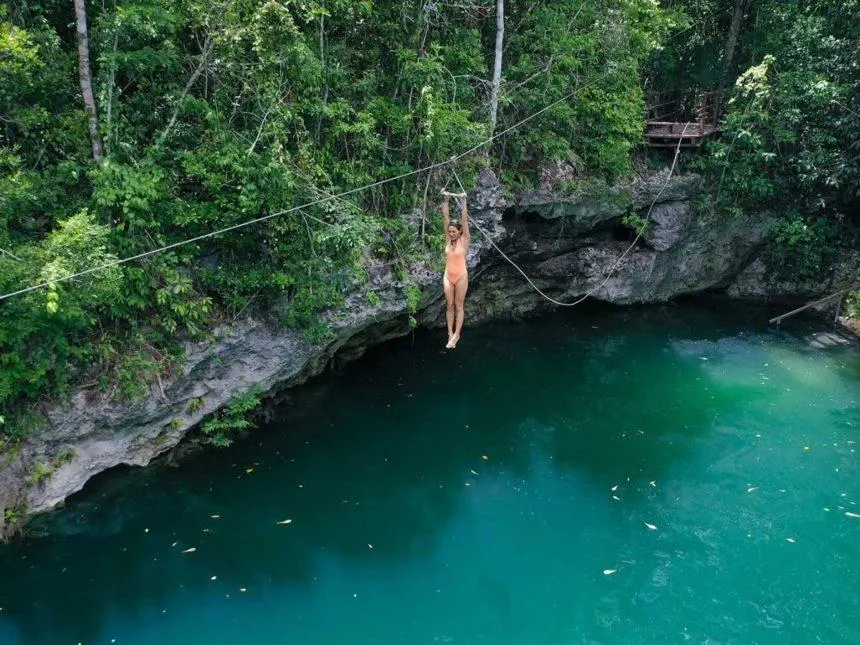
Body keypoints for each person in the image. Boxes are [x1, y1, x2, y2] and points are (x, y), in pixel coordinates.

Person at [442, 190, 470, 349]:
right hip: (448, 276)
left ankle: (457, 335)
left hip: (460, 276)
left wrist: (463, 202)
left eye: (454, 231)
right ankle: (449, 334)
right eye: (450, 231)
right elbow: (445, 218)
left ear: (460, 232)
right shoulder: (448, 239)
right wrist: (446, 200)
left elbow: (464, 220)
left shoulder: (464, 241)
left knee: (459, 305)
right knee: (449, 305)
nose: (451, 233)